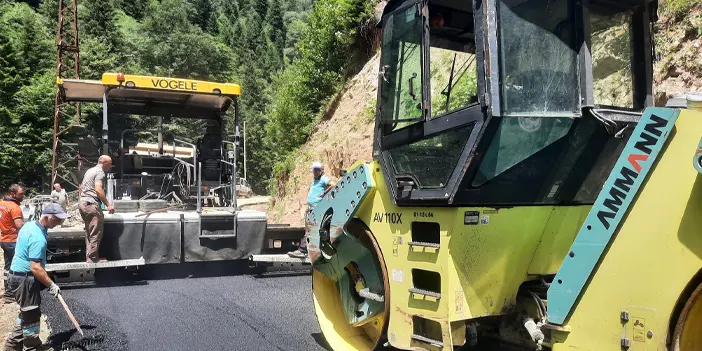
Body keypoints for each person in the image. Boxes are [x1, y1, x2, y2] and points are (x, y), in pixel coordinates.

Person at [4, 203, 68, 351]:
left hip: (17, 276)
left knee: (27, 314)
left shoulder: (30, 225)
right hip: (24, 279)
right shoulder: (38, 238)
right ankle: (32, 347)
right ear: (49, 216)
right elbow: (36, 267)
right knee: (31, 316)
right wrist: (51, 285)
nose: (60, 223)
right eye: (58, 219)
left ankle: (12, 347)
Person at [288, 162, 336, 259]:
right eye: (314, 169)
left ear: (322, 170)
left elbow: (333, 184)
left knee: (311, 230)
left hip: (317, 210)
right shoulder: (316, 180)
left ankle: (303, 251)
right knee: (310, 230)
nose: (315, 171)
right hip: (311, 210)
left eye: (318, 169)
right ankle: (310, 251)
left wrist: (324, 193)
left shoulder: (323, 178)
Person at [78, 155, 115, 263]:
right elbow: (98, 190)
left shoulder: (89, 170)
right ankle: (93, 258)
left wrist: (82, 200)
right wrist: (108, 204)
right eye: (109, 163)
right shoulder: (100, 172)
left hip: (83, 203)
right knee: (96, 231)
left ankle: (89, 257)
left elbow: (81, 187)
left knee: (89, 232)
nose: (110, 166)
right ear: (104, 162)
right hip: (91, 204)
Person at [0, 184, 25, 303]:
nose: (22, 196)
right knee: (18, 267)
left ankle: (8, 293)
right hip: (13, 241)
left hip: (4, 239)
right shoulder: (14, 207)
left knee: (8, 267)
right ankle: (17, 292)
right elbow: (20, 226)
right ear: (12, 194)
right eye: (20, 194)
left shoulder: (2, 204)